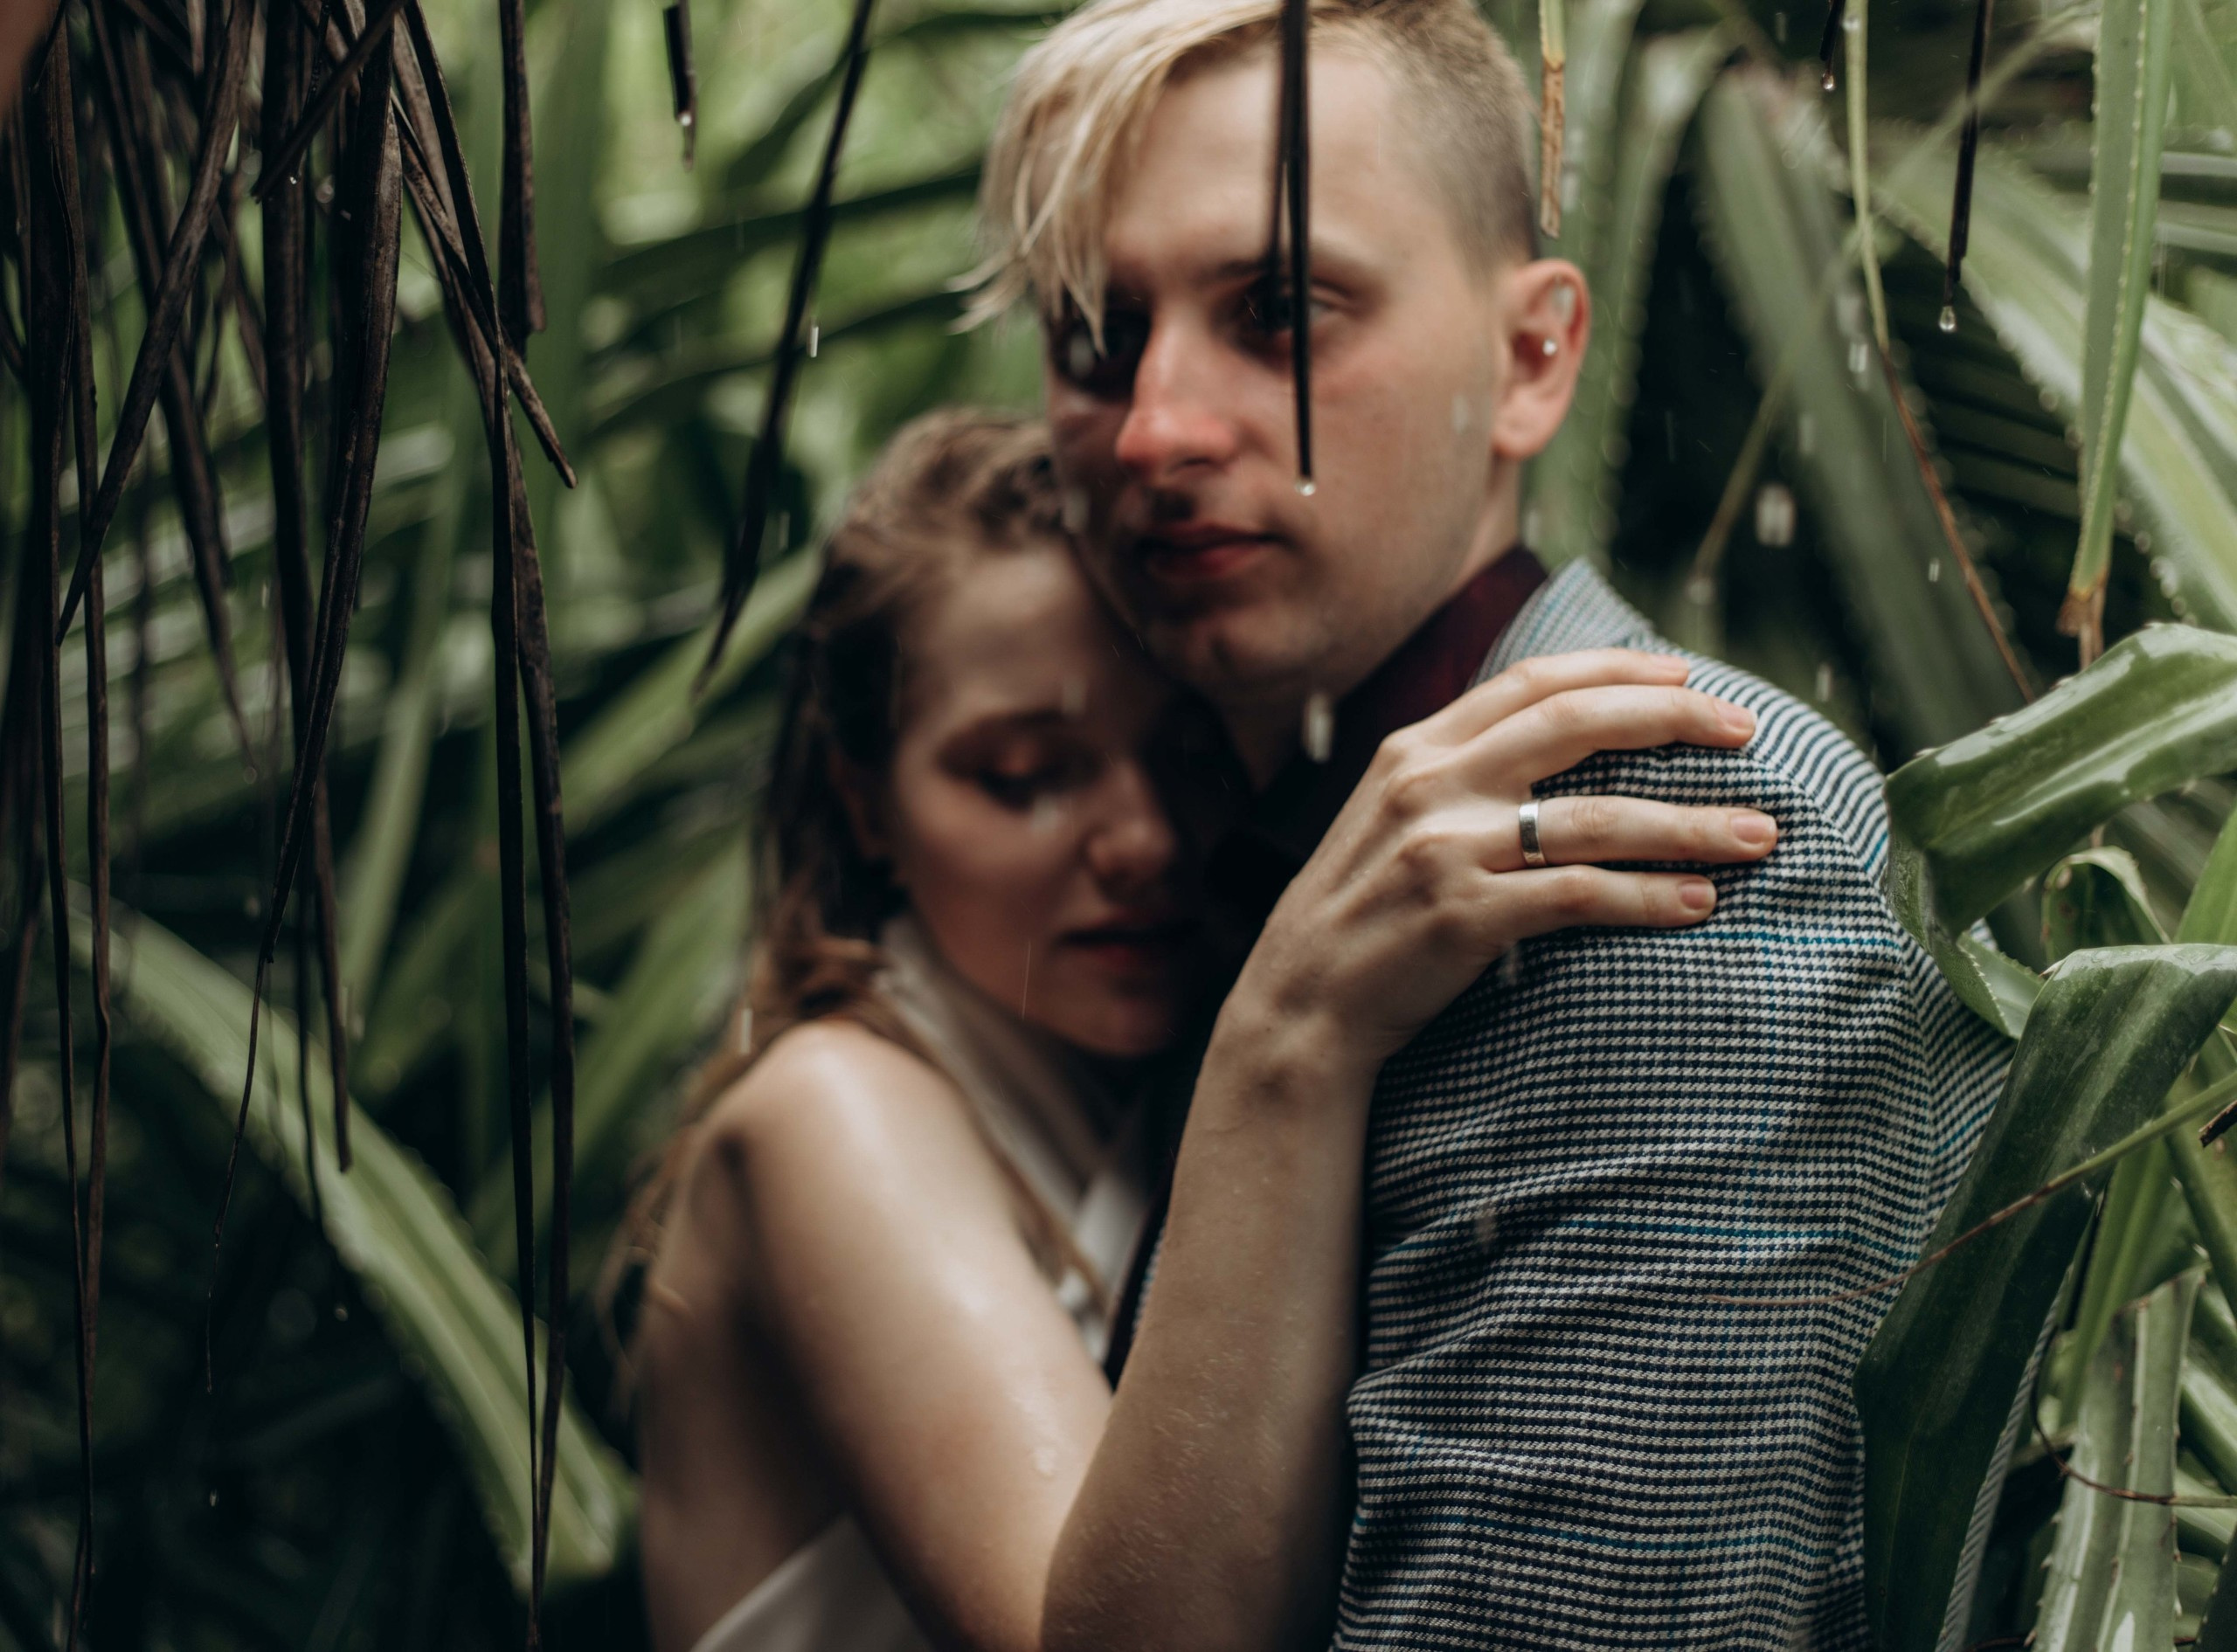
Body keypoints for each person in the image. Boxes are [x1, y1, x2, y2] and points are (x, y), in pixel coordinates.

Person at [969, 2, 2016, 1647]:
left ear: (1532, 358)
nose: (1157, 427)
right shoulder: (1235, 867)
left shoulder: (1657, 820)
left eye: (1279, 311)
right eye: (1097, 335)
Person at [627, 408, 1776, 1652]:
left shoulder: (1134, 1085)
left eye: (1188, 755)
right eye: (1023, 773)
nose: (1143, 842)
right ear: (865, 804)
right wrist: (1293, 1034)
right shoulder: (827, 1111)